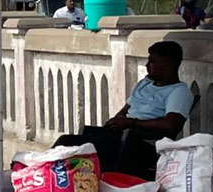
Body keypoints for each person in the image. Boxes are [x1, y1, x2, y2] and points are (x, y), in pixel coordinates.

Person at [54, 41, 193, 180]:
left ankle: (52, 179)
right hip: (121, 136)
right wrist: (116, 122)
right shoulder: (145, 84)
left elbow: (171, 124)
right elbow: (125, 110)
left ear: (168, 65)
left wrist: (131, 123)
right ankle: (50, 177)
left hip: (141, 142)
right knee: (69, 142)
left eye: (152, 62)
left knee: (72, 146)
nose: (146, 66)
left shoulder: (178, 91)